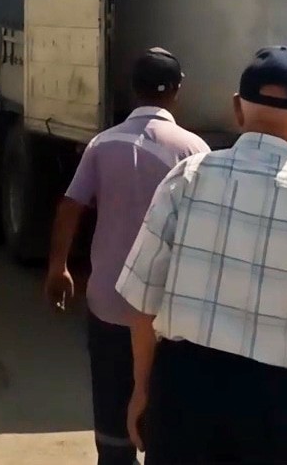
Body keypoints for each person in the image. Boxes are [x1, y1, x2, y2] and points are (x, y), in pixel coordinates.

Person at [116, 46, 287, 465]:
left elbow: (142, 300)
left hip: (183, 395)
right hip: (274, 409)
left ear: (237, 109)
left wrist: (142, 388)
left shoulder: (186, 179)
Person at [44, 48, 209, 465]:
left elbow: (70, 205)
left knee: (112, 411)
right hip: (169, 313)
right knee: (167, 418)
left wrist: (59, 267)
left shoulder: (102, 144)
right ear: (177, 90)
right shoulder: (195, 150)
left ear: (133, 89)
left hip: (109, 304)